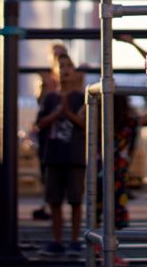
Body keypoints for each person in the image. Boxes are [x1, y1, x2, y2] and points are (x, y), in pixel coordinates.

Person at [37, 50, 86, 255]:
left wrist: (67, 114)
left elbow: (85, 123)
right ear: (55, 73)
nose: (65, 71)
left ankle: (75, 240)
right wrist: (58, 113)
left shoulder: (82, 97)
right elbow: (40, 123)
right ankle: (57, 240)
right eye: (61, 67)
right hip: (54, 155)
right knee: (54, 201)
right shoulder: (49, 99)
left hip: (75, 156)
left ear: (75, 73)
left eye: (69, 67)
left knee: (76, 200)